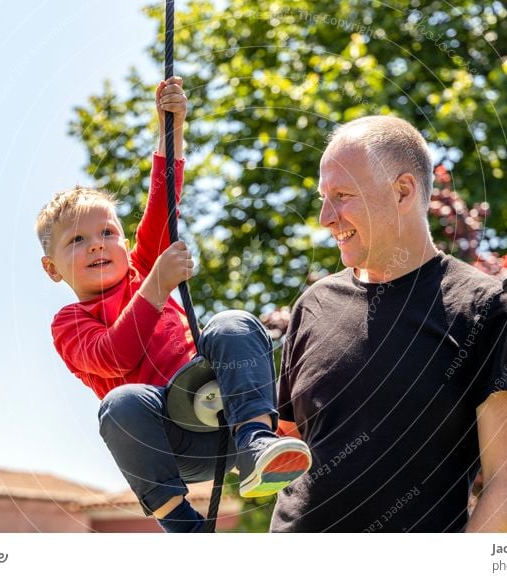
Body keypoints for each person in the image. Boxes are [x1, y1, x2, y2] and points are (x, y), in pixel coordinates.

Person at [35, 77, 311, 533]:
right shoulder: (71, 323)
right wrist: (157, 287)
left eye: (107, 233)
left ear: (124, 241)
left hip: (226, 417)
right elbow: (115, 355)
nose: (97, 246)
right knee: (120, 404)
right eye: (77, 241)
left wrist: (173, 127)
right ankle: (181, 522)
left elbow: (163, 200)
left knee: (231, 324)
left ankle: (259, 443)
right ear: (52, 268)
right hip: (174, 441)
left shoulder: (143, 267)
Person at [270, 115, 507, 533]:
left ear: (402, 191)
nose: (325, 217)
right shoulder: (312, 305)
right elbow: (285, 451)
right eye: (323, 197)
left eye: (341, 195)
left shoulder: (485, 309)